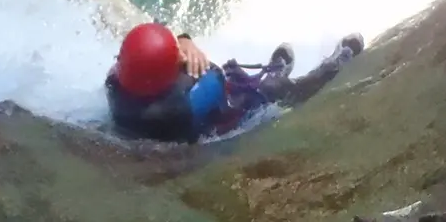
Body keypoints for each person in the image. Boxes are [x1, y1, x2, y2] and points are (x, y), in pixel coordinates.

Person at [105, 23, 366, 143]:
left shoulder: (121, 82)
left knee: (235, 81)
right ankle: (334, 65)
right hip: (223, 122)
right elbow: (215, 75)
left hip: (185, 118)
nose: (184, 55)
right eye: (179, 58)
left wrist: (181, 40)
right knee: (276, 92)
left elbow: (153, 43)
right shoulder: (184, 104)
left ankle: (276, 72)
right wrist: (190, 50)